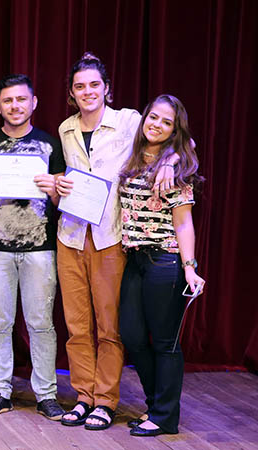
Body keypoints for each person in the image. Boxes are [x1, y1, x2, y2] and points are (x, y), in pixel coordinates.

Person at [55, 52, 176, 431]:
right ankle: (83, 396)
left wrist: (171, 159)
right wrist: (58, 186)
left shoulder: (127, 121)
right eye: (80, 86)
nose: (87, 92)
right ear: (72, 93)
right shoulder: (65, 128)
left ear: (106, 88)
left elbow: (164, 136)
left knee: (109, 326)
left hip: (110, 237)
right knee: (77, 326)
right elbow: (73, 180)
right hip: (70, 235)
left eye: (94, 84)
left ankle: (105, 400)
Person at [0, 74, 65, 420]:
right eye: (8, 101)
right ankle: (0, 390)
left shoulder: (51, 146)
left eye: (21, 99)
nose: (15, 106)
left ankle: (46, 393)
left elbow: (63, 201)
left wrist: (53, 187)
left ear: (33, 103)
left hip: (40, 248)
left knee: (41, 323)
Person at [118, 95, 204, 437]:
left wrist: (189, 267)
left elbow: (184, 223)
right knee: (132, 335)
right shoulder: (135, 156)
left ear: (174, 130)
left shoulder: (177, 168)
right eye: (153, 117)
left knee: (165, 342)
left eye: (166, 122)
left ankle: (165, 416)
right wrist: (172, 154)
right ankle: (157, 405)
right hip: (134, 259)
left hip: (165, 261)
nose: (157, 125)